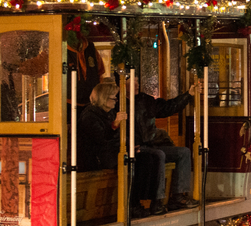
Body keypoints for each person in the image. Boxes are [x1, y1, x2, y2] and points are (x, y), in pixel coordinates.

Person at [78, 82, 163, 218]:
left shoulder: (109, 113)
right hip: (96, 157)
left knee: (149, 158)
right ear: (103, 98)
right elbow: (101, 139)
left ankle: (142, 201)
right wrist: (115, 125)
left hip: (111, 152)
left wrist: (130, 147)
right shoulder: (90, 115)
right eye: (113, 98)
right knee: (134, 163)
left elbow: (118, 137)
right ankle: (131, 205)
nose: (116, 102)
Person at [133, 76, 200, 212]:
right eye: (132, 81)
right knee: (159, 155)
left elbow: (167, 107)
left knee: (184, 152)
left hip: (150, 144)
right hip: (137, 147)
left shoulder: (145, 100)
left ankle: (178, 196)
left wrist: (188, 95)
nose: (137, 84)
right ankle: (157, 201)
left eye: (137, 81)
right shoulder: (119, 103)